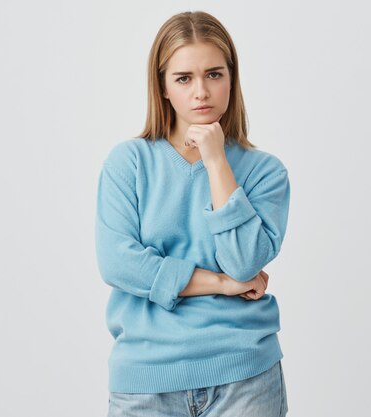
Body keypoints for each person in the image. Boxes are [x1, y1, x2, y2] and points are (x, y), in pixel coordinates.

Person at [94, 10, 290, 417]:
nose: (201, 91)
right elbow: (118, 263)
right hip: (146, 381)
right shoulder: (128, 163)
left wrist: (217, 161)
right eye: (184, 78)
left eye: (214, 74)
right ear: (163, 86)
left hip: (245, 376)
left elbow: (244, 262)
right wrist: (220, 283)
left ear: (231, 79)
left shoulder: (265, 172)